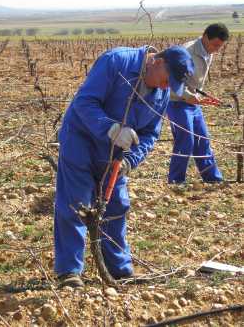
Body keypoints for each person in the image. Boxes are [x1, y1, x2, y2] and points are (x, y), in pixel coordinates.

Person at [54, 45, 195, 287]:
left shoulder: (160, 95)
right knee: (75, 203)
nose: (165, 87)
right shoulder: (116, 62)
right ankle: (69, 272)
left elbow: (151, 133)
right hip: (82, 139)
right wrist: (111, 129)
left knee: (117, 205)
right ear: (157, 61)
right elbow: (85, 102)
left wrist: (131, 160)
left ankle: (119, 269)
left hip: (117, 155)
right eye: (166, 80)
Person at [167, 23, 229, 184]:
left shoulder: (209, 51)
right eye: (215, 45)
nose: (217, 50)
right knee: (186, 140)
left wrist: (197, 94)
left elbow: (193, 81)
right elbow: (170, 82)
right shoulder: (186, 52)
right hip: (176, 102)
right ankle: (176, 182)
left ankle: (213, 179)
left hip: (193, 102)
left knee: (202, 139)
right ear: (205, 37)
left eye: (220, 47)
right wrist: (187, 95)